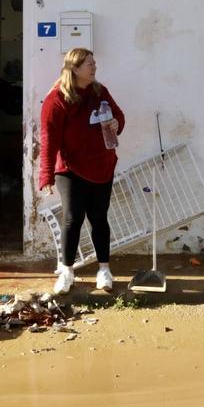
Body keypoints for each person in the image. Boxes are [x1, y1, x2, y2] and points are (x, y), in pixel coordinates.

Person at [39, 48, 124, 294]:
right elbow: (48, 139)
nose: (94, 67)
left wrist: (116, 123)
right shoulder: (57, 98)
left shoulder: (99, 91)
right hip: (71, 169)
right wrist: (46, 175)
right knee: (72, 219)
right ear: (74, 69)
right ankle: (67, 271)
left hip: (102, 165)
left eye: (94, 63)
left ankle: (104, 270)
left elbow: (119, 116)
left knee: (99, 218)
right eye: (89, 64)